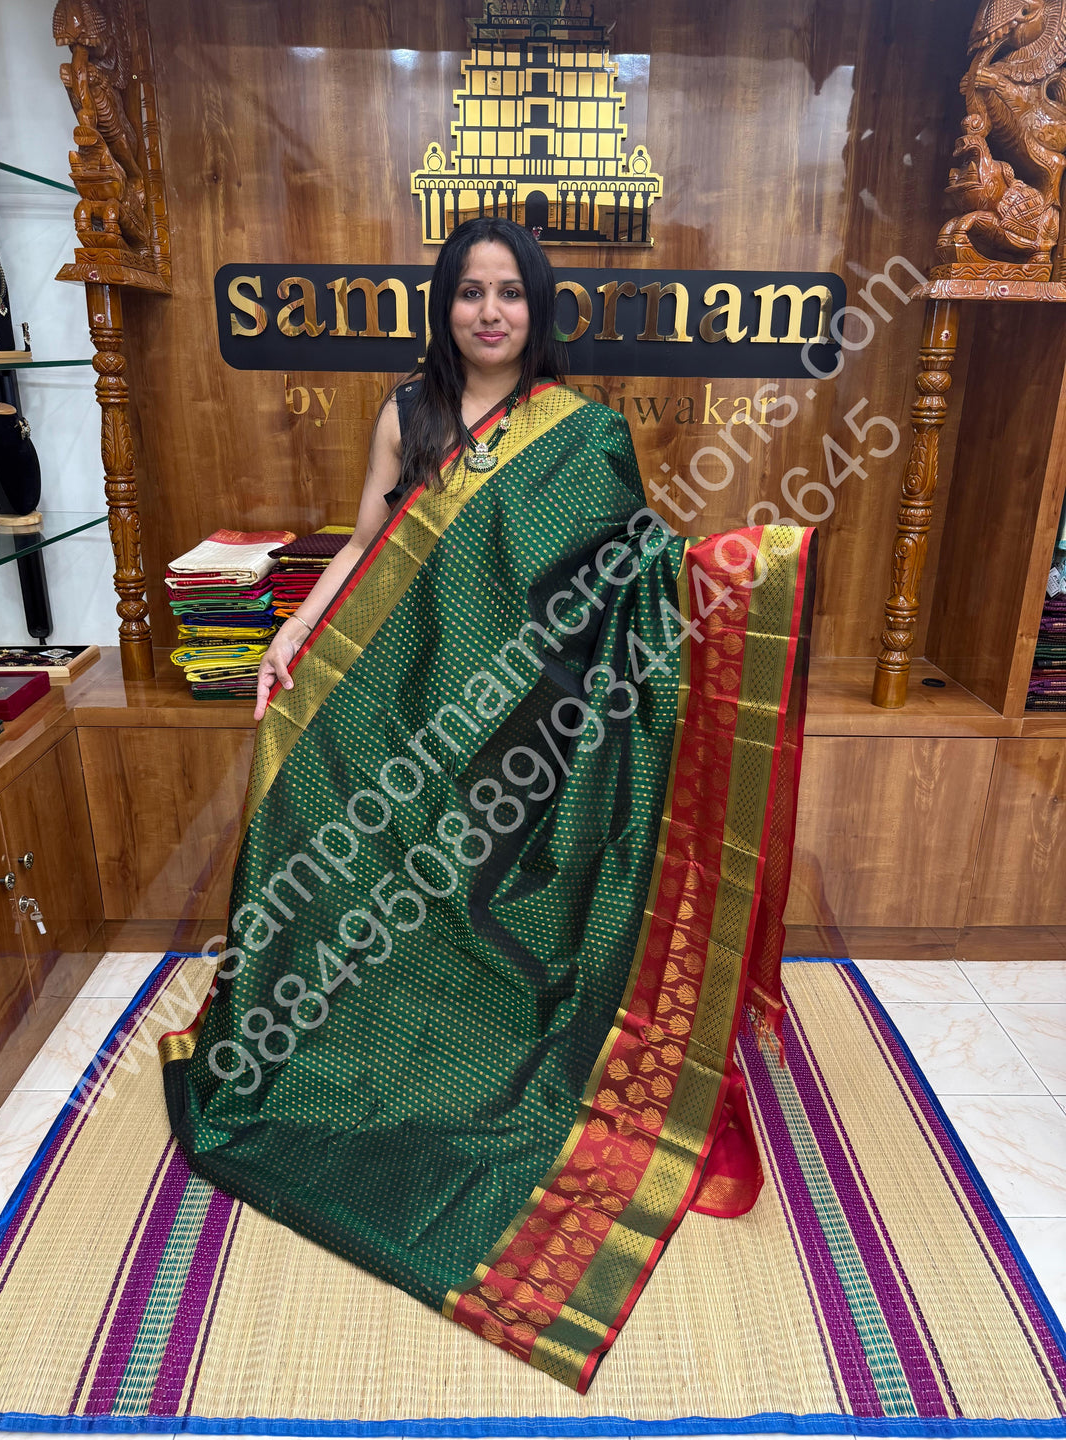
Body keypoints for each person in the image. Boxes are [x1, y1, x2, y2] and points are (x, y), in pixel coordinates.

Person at [161, 217, 816, 1393]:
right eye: (470, 292)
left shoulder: (586, 434)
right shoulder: (406, 415)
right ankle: (335, 1030)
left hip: (524, 726)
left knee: (492, 899)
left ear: (538, 306)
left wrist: (731, 572)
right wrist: (294, 635)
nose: (491, 313)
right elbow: (371, 540)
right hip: (409, 695)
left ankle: (491, 1042)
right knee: (312, 819)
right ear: (446, 306)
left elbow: (630, 578)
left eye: (510, 293)